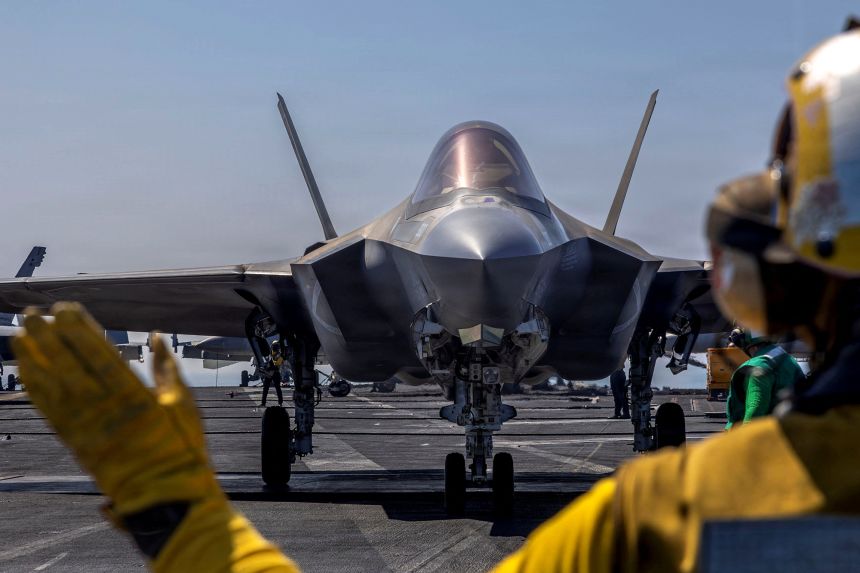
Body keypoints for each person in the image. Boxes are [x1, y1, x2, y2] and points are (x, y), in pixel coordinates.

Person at [10, 26, 860, 573]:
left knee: (652, 363)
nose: (481, 232)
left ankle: (651, 423)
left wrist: (183, 522)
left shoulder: (650, 511)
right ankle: (291, 431)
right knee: (287, 367)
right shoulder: (695, 510)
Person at [724, 328, 805, 429]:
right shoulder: (789, 361)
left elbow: (756, 409)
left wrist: (745, 440)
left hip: (766, 437)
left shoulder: (757, 366)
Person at [260, 340, 284, 407]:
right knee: (275, 389)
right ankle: (279, 403)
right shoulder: (274, 354)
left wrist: (266, 369)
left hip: (272, 373)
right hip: (272, 373)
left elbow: (276, 364)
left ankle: (264, 403)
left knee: (269, 389)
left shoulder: (278, 355)